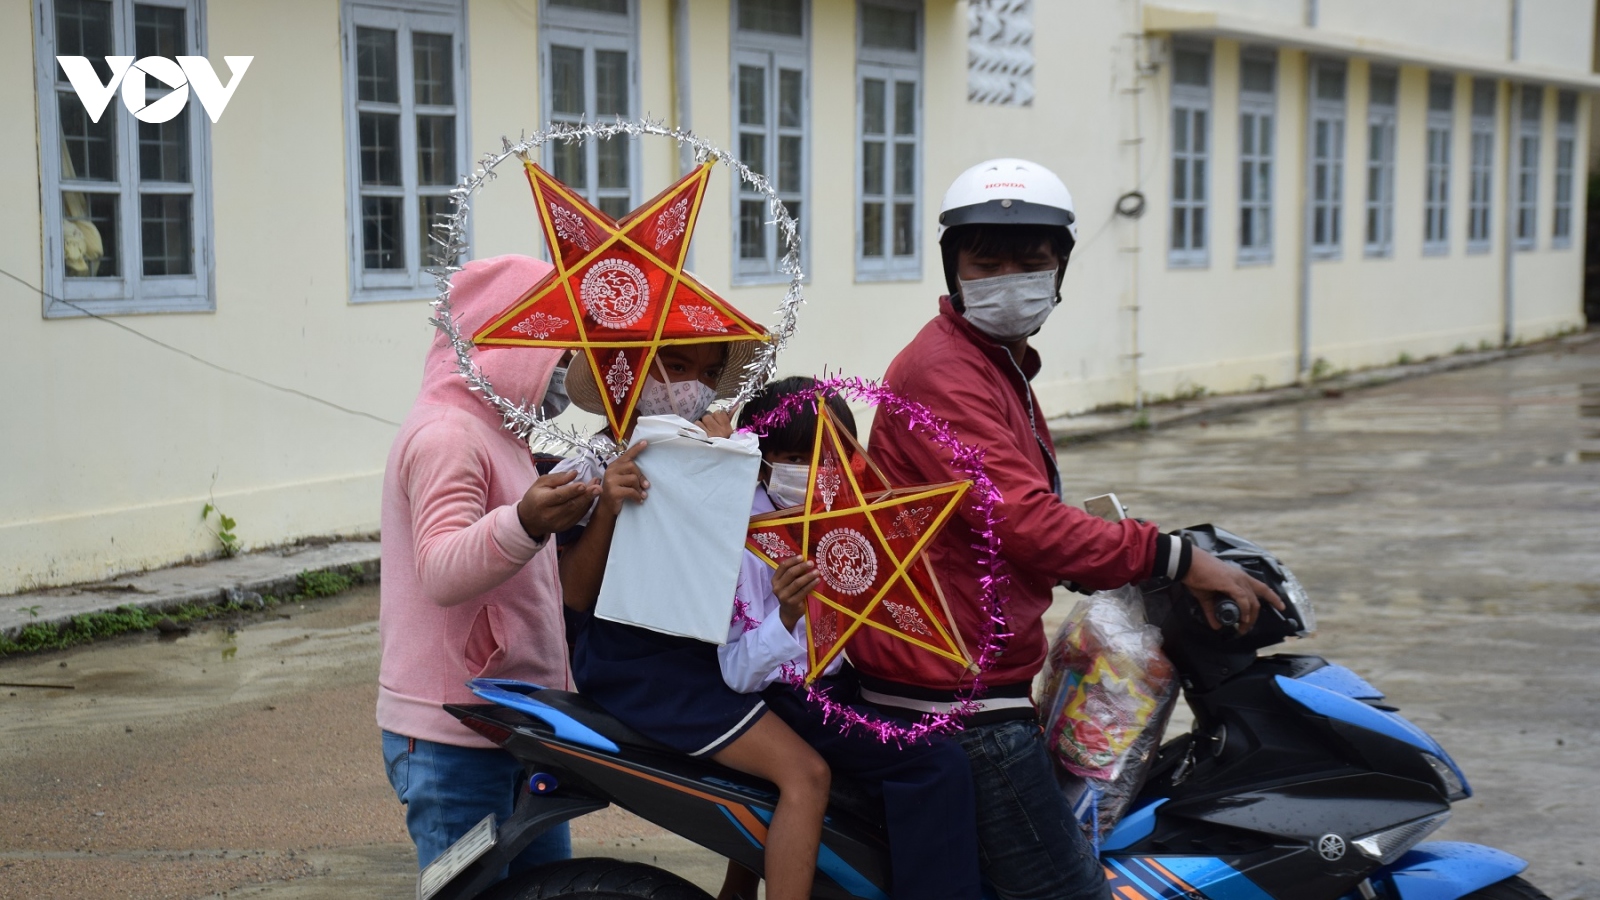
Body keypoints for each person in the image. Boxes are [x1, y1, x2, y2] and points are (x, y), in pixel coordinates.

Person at [853, 159, 1285, 900]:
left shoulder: (998, 365)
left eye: (1032, 261)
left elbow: (1010, 517)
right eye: (987, 262)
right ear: (954, 269)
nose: (1010, 278)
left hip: (975, 672)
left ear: (1061, 269)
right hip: (959, 697)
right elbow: (1019, 521)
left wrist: (1109, 559)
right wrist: (1174, 558)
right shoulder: (944, 372)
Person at [556, 343, 835, 900]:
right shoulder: (596, 462)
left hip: (707, 654)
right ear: (629, 375)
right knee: (806, 776)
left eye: (709, 373)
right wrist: (610, 503)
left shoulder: (716, 452)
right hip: (640, 667)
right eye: (677, 368)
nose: (695, 387)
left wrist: (728, 460)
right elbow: (573, 595)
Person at [714, 376, 981, 900]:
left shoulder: (851, 515)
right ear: (762, 456)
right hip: (785, 701)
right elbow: (736, 672)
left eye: (822, 455)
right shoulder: (742, 533)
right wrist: (787, 615)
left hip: (839, 688)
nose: (808, 471)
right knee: (936, 765)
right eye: (790, 455)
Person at [377, 255, 601, 876]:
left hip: (510, 722)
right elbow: (442, 571)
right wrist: (527, 521)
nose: (563, 372)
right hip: (453, 736)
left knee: (548, 889)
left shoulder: (499, 432)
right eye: (555, 353)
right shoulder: (449, 434)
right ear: (508, 343)